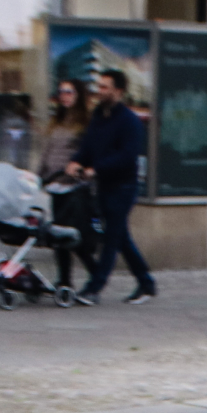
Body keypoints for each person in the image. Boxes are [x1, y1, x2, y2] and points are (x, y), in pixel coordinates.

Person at [68, 69, 156, 305]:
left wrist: (97, 168)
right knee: (121, 237)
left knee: (111, 238)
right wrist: (77, 161)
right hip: (104, 185)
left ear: (118, 91)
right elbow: (89, 146)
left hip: (123, 186)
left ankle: (94, 288)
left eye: (105, 87)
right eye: (99, 86)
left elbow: (127, 156)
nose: (99, 91)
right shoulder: (98, 116)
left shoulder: (129, 121)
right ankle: (146, 282)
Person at [37, 78, 94, 295]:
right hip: (55, 183)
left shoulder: (85, 123)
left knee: (71, 235)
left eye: (69, 92)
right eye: (61, 91)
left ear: (78, 95)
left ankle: (93, 273)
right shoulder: (57, 121)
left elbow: (89, 153)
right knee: (58, 233)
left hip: (73, 185)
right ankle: (65, 280)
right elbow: (47, 150)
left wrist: (81, 170)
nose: (64, 96)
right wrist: (38, 175)